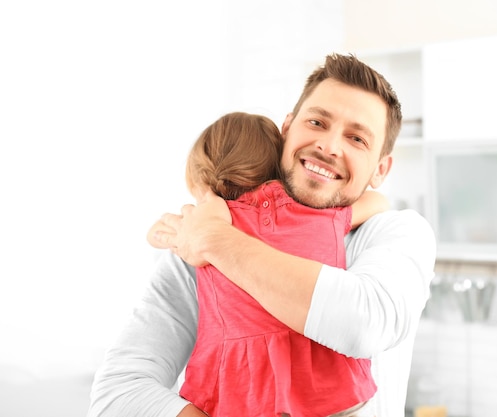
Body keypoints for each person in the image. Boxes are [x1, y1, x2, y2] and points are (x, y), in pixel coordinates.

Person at [88, 53, 436, 417]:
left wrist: (217, 240)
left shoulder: (396, 232)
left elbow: (365, 323)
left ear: (381, 169)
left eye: (357, 139)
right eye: (317, 122)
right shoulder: (195, 254)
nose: (329, 146)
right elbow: (117, 395)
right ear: (286, 128)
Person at [146, 111, 388, 416]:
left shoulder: (207, 224)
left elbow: (155, 234)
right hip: (325, 381)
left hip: (241, 385)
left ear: (201, 173)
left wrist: (204, 208)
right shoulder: (320, 214)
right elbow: (379, 203)